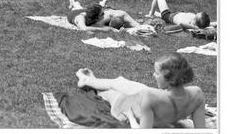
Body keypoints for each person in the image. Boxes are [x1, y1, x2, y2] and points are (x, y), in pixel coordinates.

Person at [76, 52, 206, 129]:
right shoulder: (197, 94)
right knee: (120, 82)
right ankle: (90, 80)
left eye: (156, 73)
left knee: (112, 89)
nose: (153, 75)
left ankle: (85, 80)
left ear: (167, 76)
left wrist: (130, 117)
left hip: (127, 103)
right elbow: (202, 132)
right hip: (146, 96)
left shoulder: (150, 97)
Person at [67, 0, 142, 32]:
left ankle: (102, 2)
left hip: (86, 11)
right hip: (74, 13)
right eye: (102, 14)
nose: (104, 15)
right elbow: (84, 29)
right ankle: (73, 2)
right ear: (96, 16)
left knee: (96, 7)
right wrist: (108, 29)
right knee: (77, 7)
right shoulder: (80, 18)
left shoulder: (94, 15)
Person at [145, 0, 211, 30]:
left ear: (195, 22)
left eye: (196, 16)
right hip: (174, 14)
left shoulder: (191, 25)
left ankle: (151, 15)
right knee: (155, 12)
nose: (196, 14)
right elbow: (207, 24)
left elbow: (182, 25)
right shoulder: (198, 22)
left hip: (167, 16)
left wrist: (195, 28)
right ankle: (152, 13)